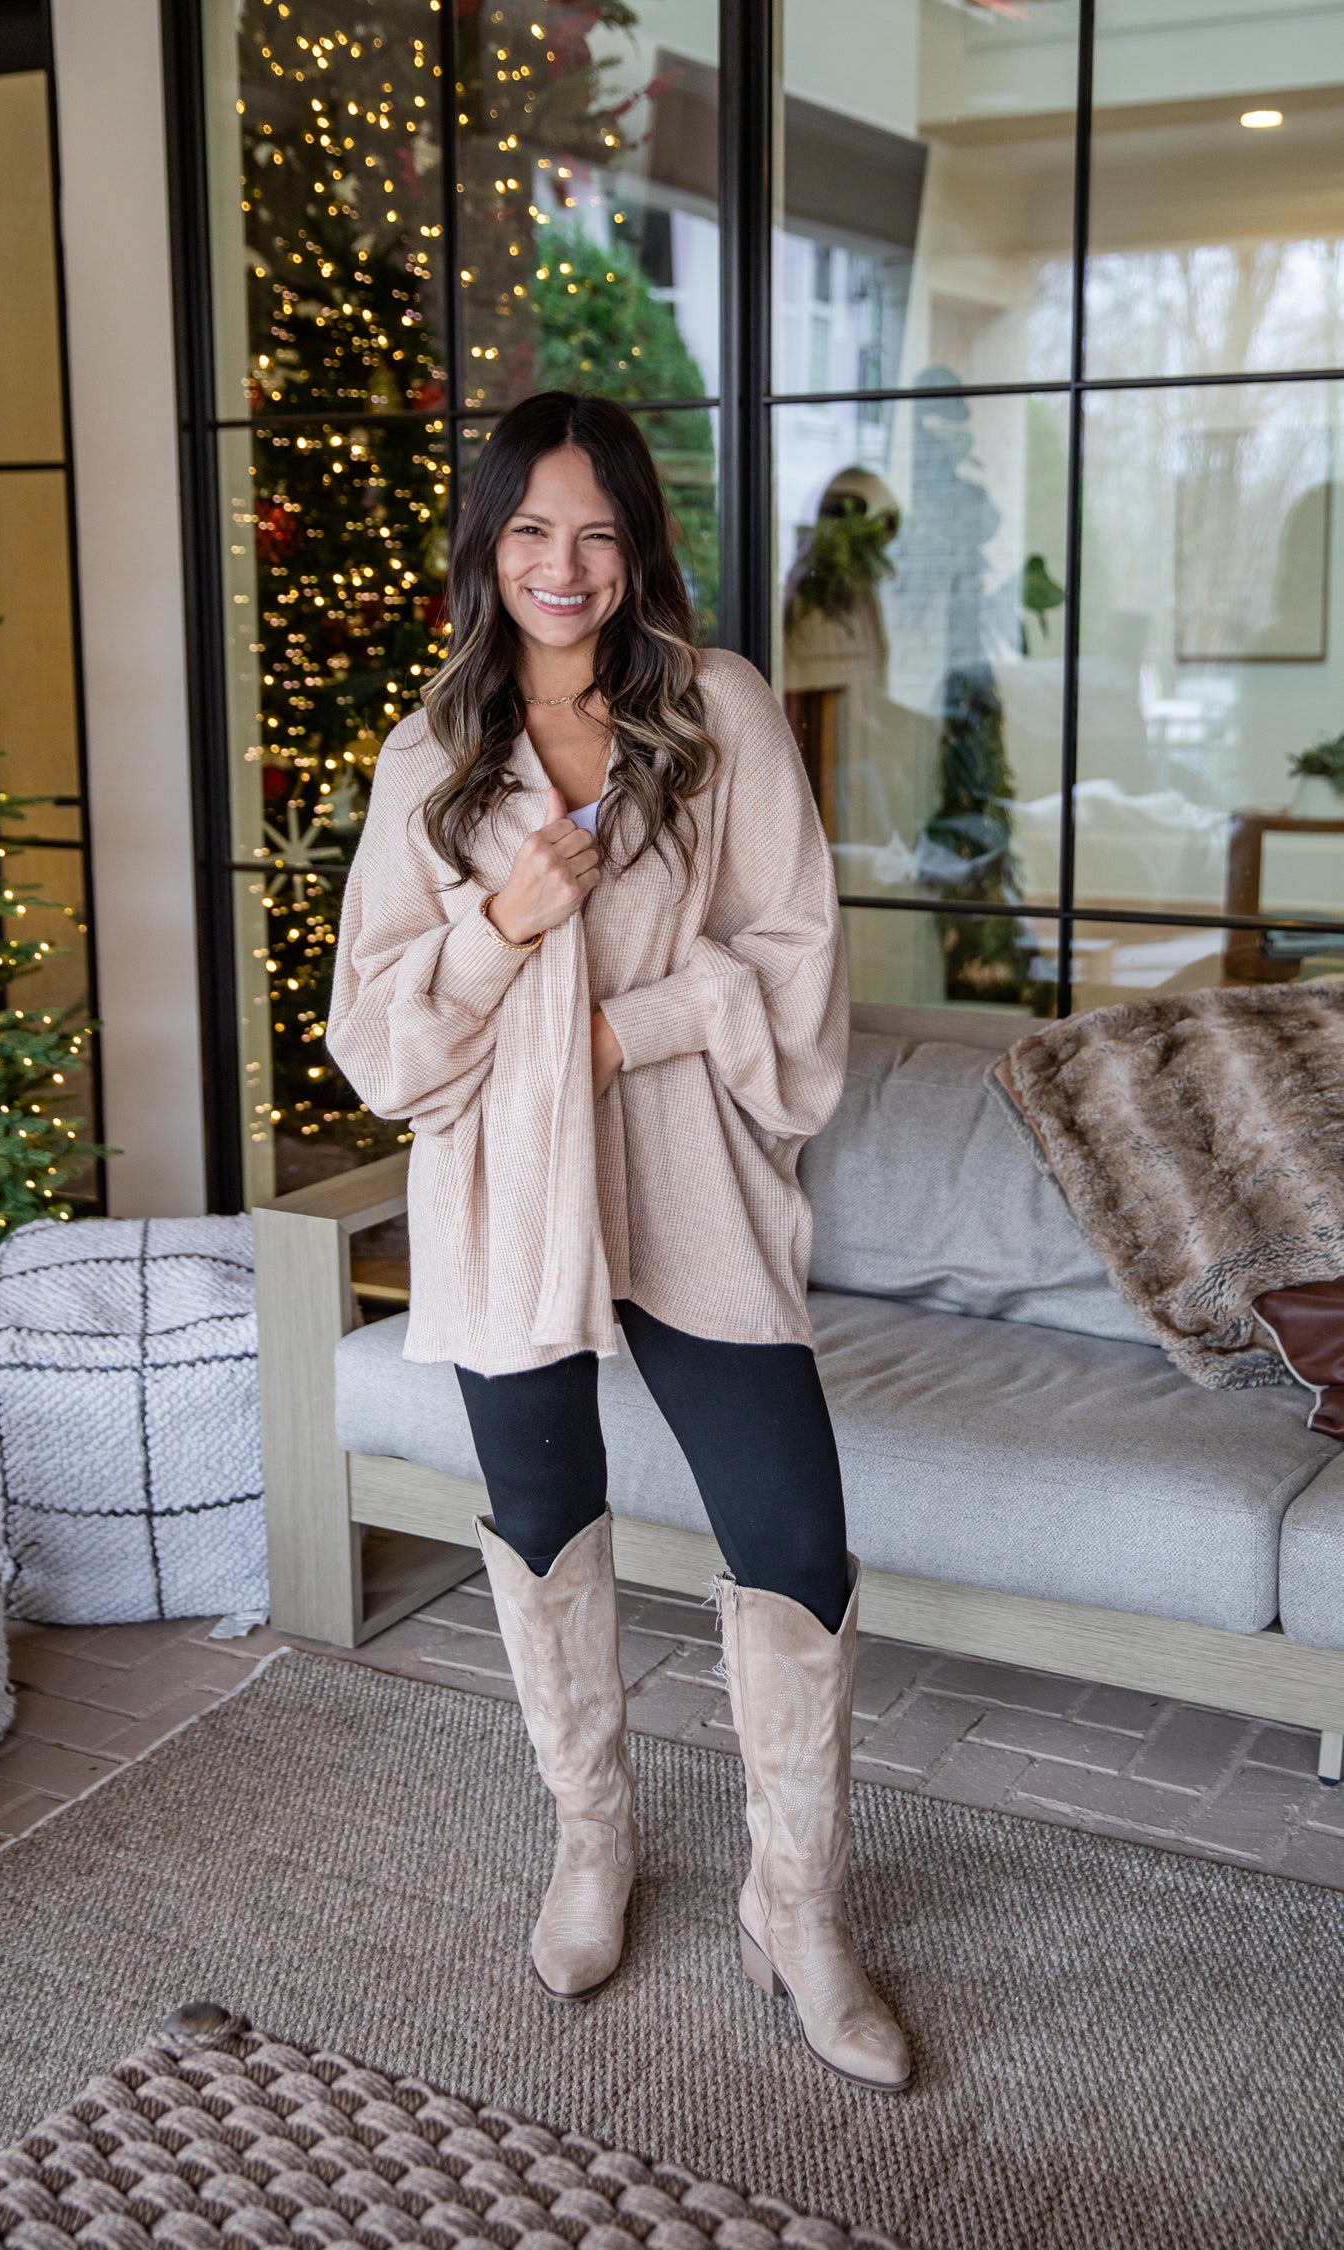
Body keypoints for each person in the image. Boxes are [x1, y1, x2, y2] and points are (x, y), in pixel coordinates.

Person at [327, 391, 910, 2094]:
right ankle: (595, 1843)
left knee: (794, 1535)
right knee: (540, 1509)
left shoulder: (717, 710)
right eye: (528, 531)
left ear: (634, 542)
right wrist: (506, 924)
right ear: (488, 549)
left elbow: (794, 972)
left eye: (593, 531)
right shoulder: (433, 757)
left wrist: (617, 1033)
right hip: (507, 1190)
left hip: (688, 1168)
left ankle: (797, 1908)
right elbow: (379, 1048)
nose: (561, 566)